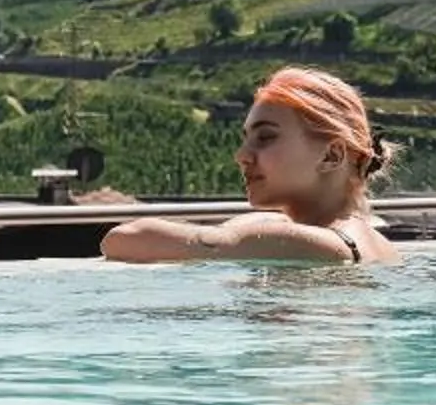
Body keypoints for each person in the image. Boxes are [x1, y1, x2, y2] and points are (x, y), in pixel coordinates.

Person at [101, 66, 402, 265]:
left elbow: (124, 239)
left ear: (331, 156)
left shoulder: (319, 245)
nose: (241, 155)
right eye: (246, 139)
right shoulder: (379, 247)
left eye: (266, 137)